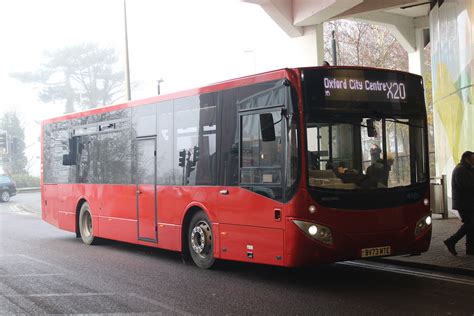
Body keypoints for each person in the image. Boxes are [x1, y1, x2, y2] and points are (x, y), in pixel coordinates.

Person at [444, 151, 474, 256]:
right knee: (470, 224)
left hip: (468, 203)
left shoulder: (468, 169)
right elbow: (467, 187)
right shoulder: (460, 170)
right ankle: (451, 241)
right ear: (466, 158)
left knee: (470, 226)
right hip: (464, 203)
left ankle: (470, 249)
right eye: (472, 158)